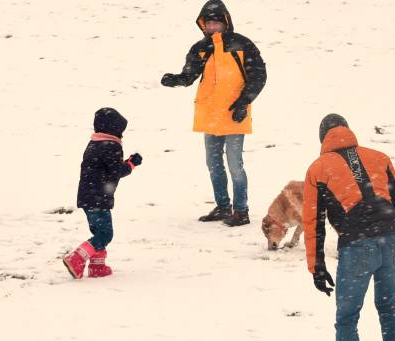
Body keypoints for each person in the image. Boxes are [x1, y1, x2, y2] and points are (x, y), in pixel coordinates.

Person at [302, 114, 395, 341]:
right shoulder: (378, 156)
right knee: (388, 306)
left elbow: (313, 221)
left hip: (358, 242)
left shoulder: (318, 168)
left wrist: (317, 267)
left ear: (323, 137)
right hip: (394, 234)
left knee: (347, 318)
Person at [160, 0, 266, 226]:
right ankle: (223, 206)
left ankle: (241, 211)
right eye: (209, 23)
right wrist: (177, 80)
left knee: (235, 164)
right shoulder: (200, 48)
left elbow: (259, 75)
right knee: (213, 163)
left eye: (217, 23)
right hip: (210, 114)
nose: (213, 27)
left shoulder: (242, 44)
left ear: (226, 22)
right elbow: (190, 75)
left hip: (234, 113)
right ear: (202, 25)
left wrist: (243, 103)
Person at [62, 108, 142, 279]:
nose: (122, 135)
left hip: (87, 196)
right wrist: (131, 164)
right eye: (121, 131)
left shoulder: (94, 143)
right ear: (114, 130)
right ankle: (76, 258)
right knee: (105, 234)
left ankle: (98, 266)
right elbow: (116, 172)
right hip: (98, 197)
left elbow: (105, 168)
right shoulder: (111, 145)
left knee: (98, 232)